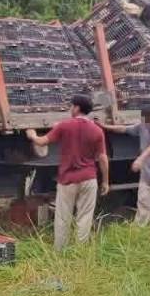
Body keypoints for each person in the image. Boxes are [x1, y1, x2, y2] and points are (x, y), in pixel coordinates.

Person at [27, 94, 109, 250]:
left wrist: (32, 135)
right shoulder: (97, 130)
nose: (70, 109)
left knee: (63, 217)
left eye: (71, 106)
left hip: (68, 180)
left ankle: (60, 250)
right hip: (89, 179)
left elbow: (42, 142)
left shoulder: (64, 126)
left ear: (77, 108)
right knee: (85, 216)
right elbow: (103, 158)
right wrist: (105, 181)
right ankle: (81, 250)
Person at [99, 104, 150, 226]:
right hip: (146, 176)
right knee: (143, 205)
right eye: (146, 121)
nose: (148, 124)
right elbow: (124, 129)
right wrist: (105, 126)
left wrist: (140, 159)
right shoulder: (142, 126)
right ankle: (139, 230)